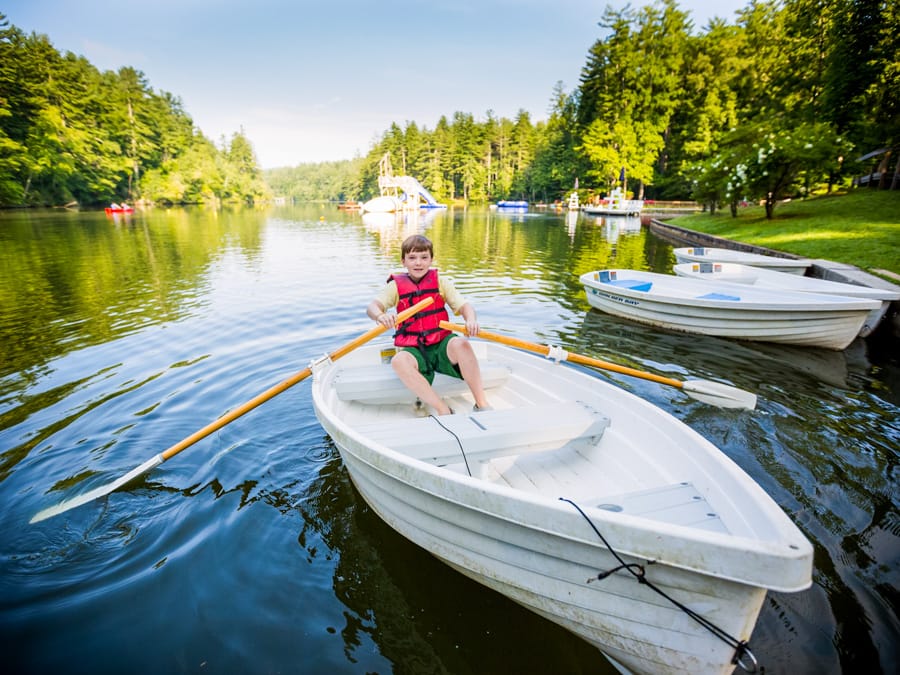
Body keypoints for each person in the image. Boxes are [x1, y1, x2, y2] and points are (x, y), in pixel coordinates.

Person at [367, 234, 491, 416]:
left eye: (424, 257)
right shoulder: (395, 287)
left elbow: (465, 306)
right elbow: (372, 307)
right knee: (398, 361)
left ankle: (481, 404)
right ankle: (443, 409)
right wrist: (380, 315)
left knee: (462, 343)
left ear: (431, 259)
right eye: (412, 258)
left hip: (441, 344)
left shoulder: (441, 282)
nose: (418, 263)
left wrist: (470, 320)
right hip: (414, 349)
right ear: (403, 261)